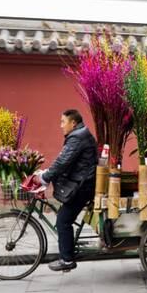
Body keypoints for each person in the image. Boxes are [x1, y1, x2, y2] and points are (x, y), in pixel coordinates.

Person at [36, 109, 98, 272]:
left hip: (83, 186)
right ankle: (68, 249)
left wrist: (45, 177)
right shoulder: (79, 135)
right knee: (65, 217)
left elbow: (63, 161)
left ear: (73, 123)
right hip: (82, 182)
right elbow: (64, 160)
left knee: (63, 220)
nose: (61, 125)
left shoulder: (77, 137)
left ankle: (67, 259)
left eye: (63, 122)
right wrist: (48, 172)